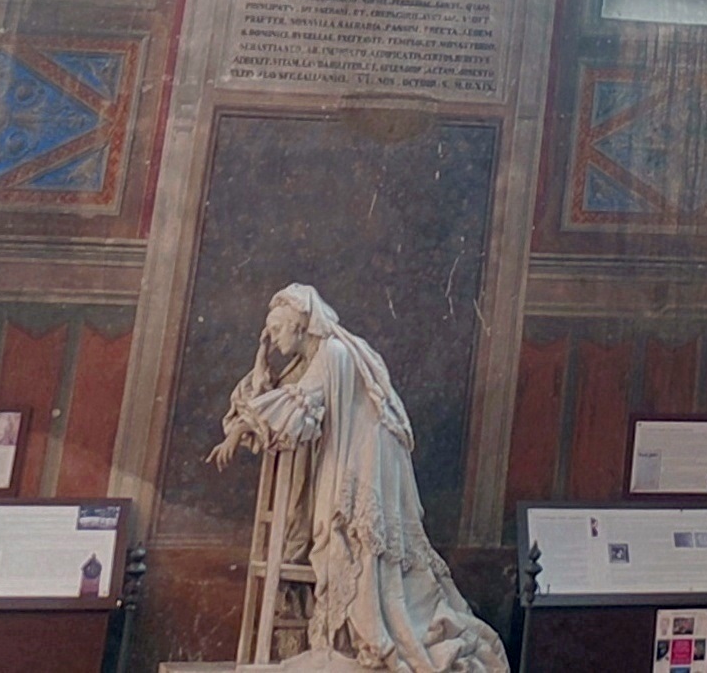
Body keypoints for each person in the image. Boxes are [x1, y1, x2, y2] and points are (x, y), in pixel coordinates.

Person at [212, 281, 503, 673]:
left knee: (353, 542)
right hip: (353, 450)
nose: (273, 336)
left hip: (364, 456)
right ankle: (349, 634)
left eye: (277, 329)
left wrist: (238, 429)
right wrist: (262, 356)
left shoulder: (332, 353)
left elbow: (298, 406)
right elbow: (282, 393)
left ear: (301, 326)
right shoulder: (316, 354)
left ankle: (363, 636)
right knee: (340, 539)